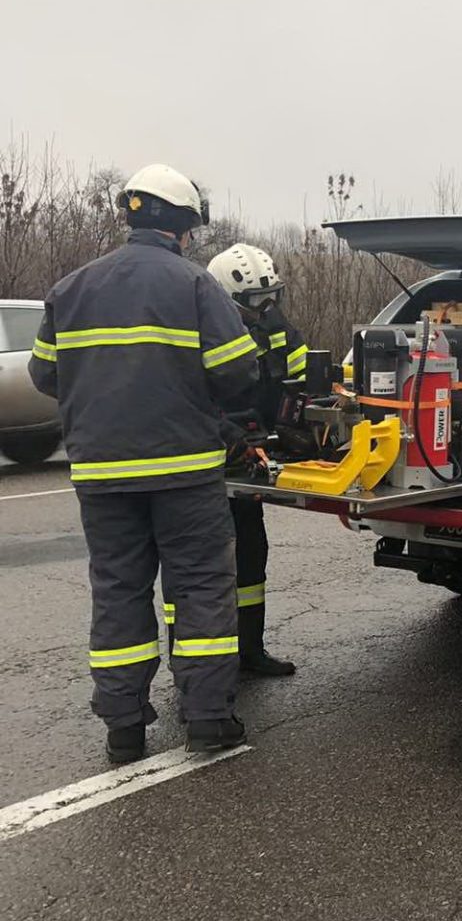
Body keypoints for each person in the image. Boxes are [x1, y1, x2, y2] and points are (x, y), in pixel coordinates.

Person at [29, 164, 258, 763]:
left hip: (101, 474)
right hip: (183, 469)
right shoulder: (194, 286)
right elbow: (238, 372)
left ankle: (124, 727)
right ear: (183, 227)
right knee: (202, 586)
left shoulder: (70, 288)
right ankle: (208, 719)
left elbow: (43, 374)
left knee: (118, 590)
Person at [200, 242, 307, 675]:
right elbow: (196, 402)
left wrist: (302, 430)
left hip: (251, 460)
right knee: (203, 567)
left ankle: (249, 652)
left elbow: (297, 385)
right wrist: (237, 441)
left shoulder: (278, 331)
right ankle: (200, 665)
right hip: (207, 464)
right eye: (253, 302)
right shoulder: (202, 331)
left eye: (270, 299)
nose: (263, 309)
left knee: (251, 553)